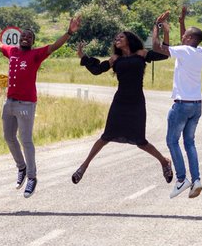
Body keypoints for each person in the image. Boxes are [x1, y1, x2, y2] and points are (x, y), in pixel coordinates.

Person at [0, 14, 82, 198]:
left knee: (26, 140)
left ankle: (32, 177)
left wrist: (69, 33)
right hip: (9, 103)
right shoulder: (12, 51)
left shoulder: (35, 55)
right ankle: (22, 167)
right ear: (19, 38)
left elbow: (54, 46)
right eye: (23, 36)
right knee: (9, 137)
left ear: (32, 42)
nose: (25, 38)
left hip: (26, 104)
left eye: (29, 37)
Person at [71, 30, 172, 185]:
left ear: (129, 40)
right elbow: (97, 70)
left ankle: (164, 162)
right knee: (105, 137)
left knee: (140, 141)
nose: (117, 39)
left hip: (136, 101)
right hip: (120, 102)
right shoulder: (115, 58)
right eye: (115, 37)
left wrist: (165, 31)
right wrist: (82, 56)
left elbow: (165, 54)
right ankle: (83, 167)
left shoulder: (141, 53)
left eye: (121, 37)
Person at [151, 5, 202, 198]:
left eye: (185, 36)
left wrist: (158, 28)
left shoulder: (183, 51)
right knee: (189, 143)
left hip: (182, 104)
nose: (182, 37)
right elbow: (185, 42)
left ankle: (182, 180)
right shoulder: (200, 52)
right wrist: (181, 21)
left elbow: (158, 48)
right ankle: (196, 179)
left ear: (190, 39)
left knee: (171, 141)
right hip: (197, 105)